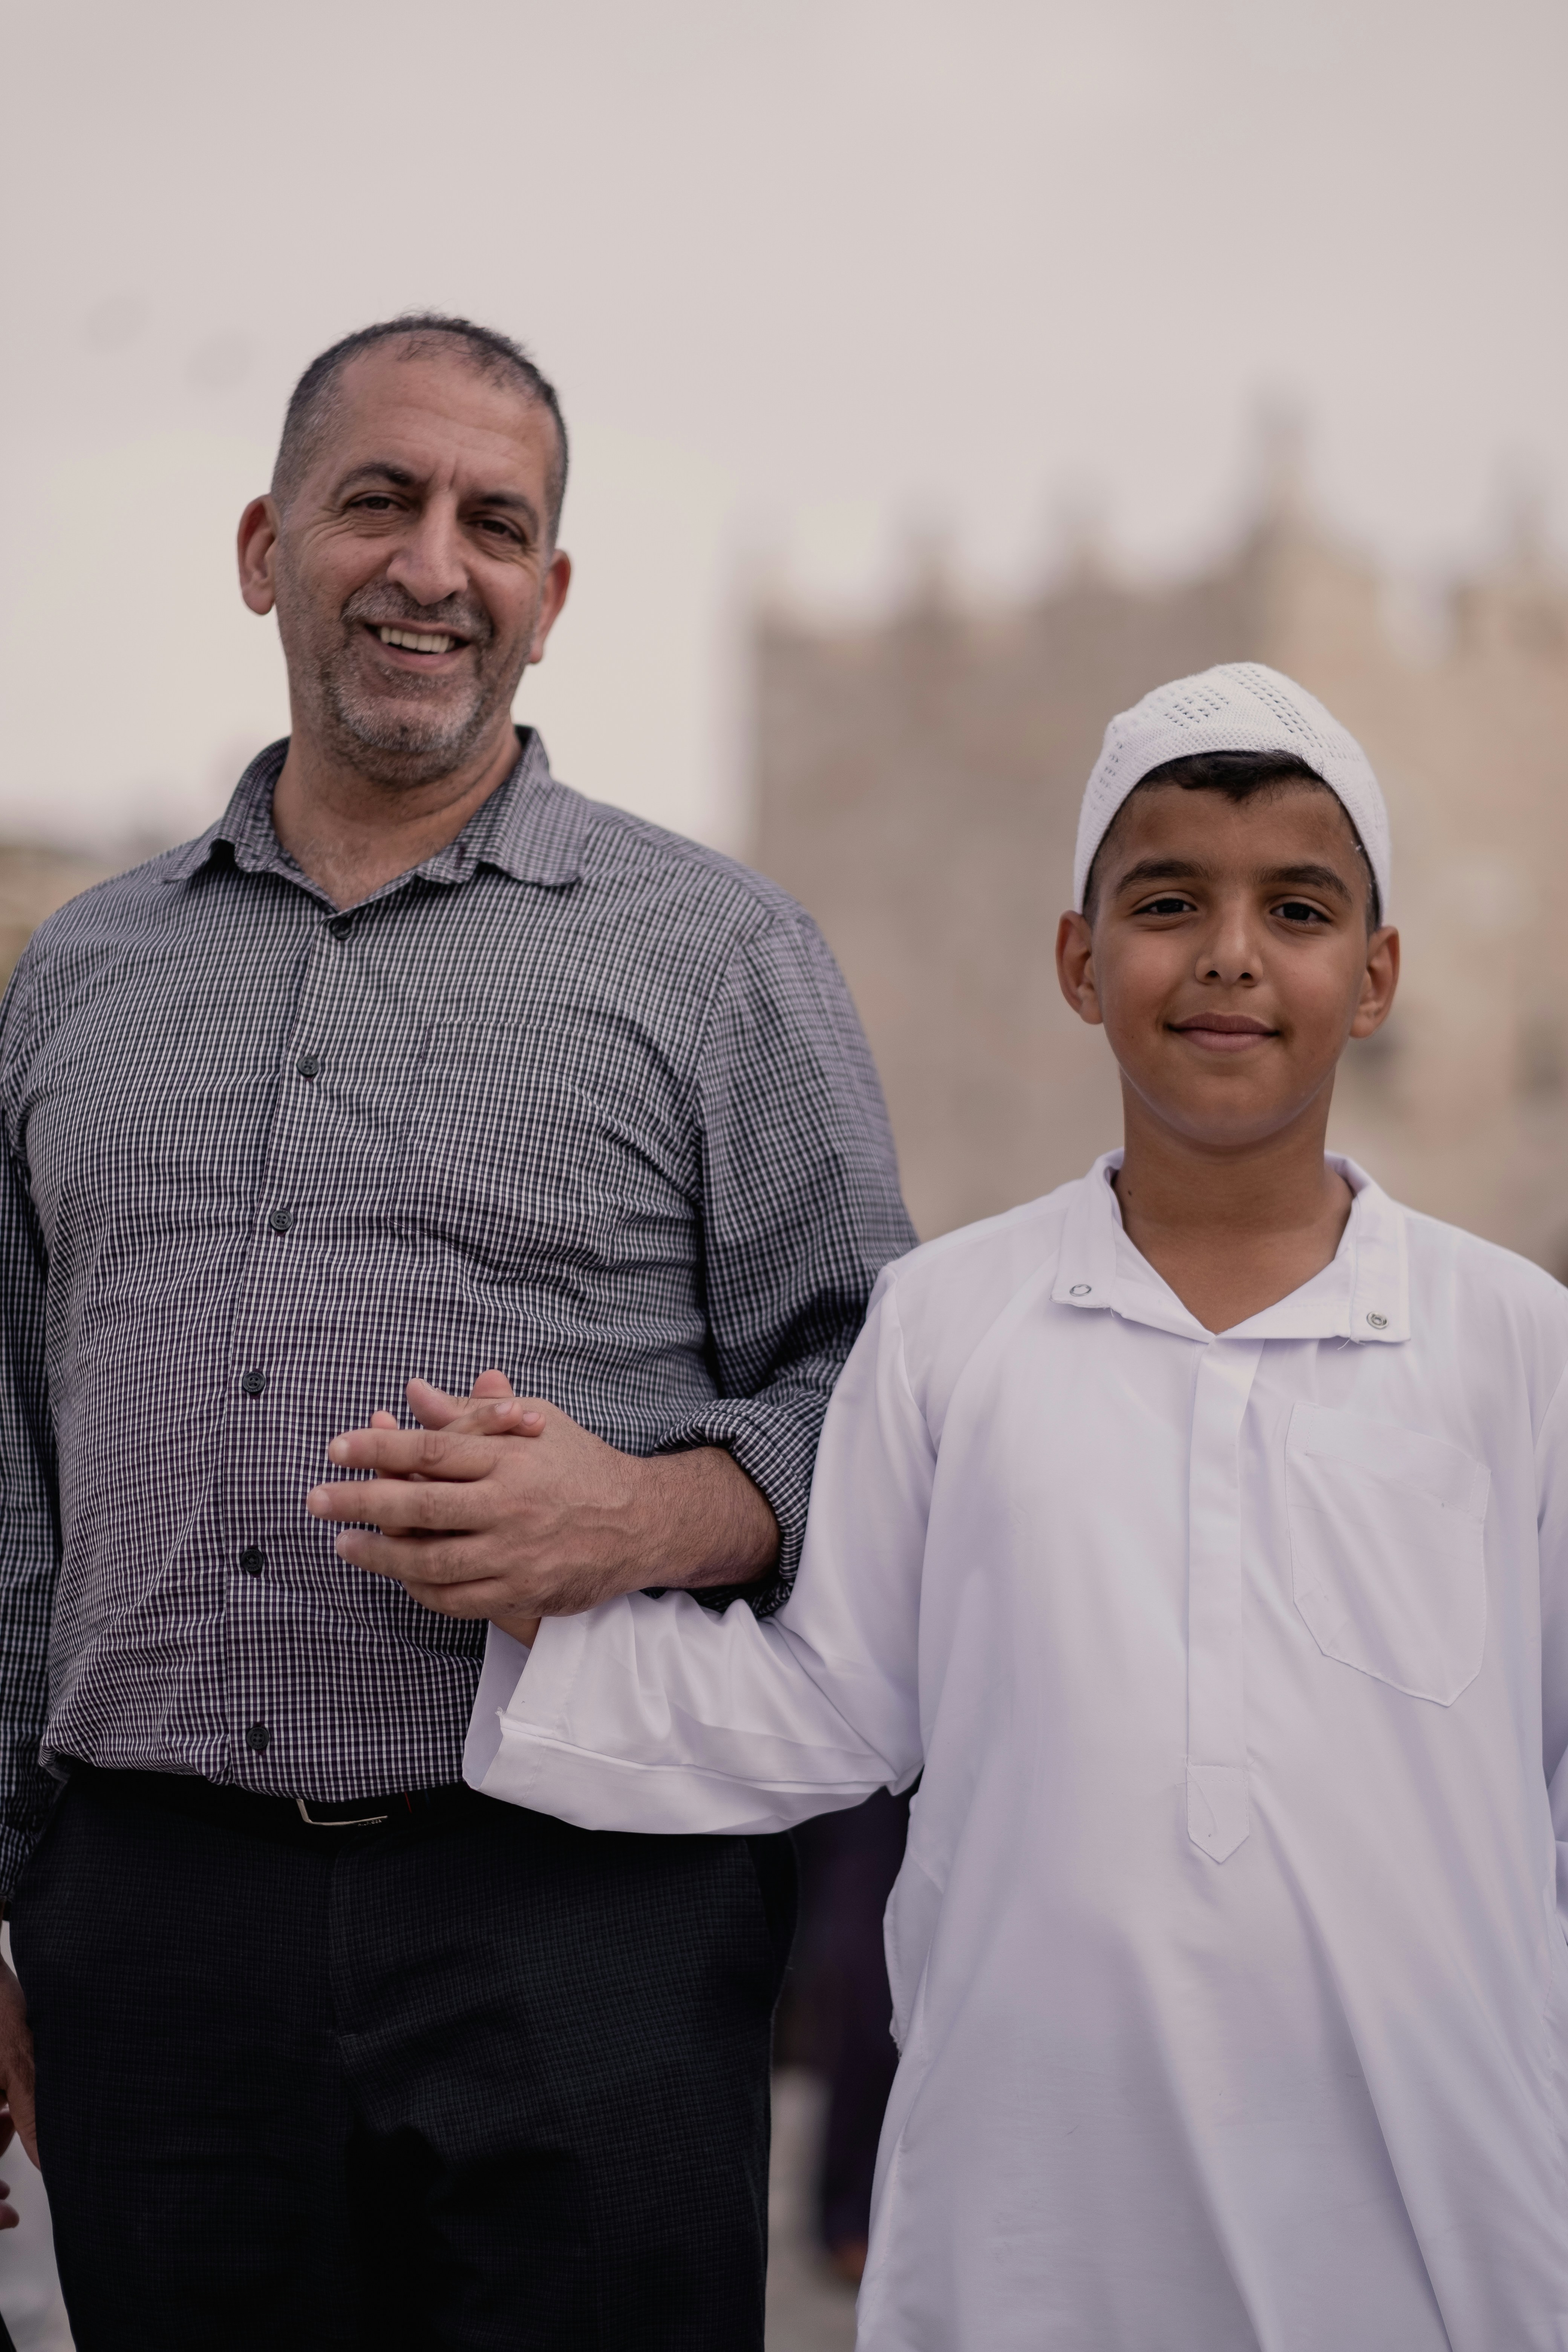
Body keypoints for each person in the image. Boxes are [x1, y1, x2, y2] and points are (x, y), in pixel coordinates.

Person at [442, 663, 1568, 2349]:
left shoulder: (1512, 1345)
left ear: (1377, 974)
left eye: (1299, 907)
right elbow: (832, 1704)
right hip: (1033, 2232)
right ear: (1077, 957)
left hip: (1432, 2231)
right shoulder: (948, 1322)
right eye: (1168, 900)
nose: (1230, 955)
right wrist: (541, 1582)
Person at [0, 312, 914, 2349]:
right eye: (377, 502)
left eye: (496, 523)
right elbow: (13, 1481)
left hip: (576, 1914)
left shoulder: (724, 960)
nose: (435, 565)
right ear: (264, 548)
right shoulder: (77, 979)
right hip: (152, 1934)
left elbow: (882, 1392)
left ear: (554, 594)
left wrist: (649, 1515)